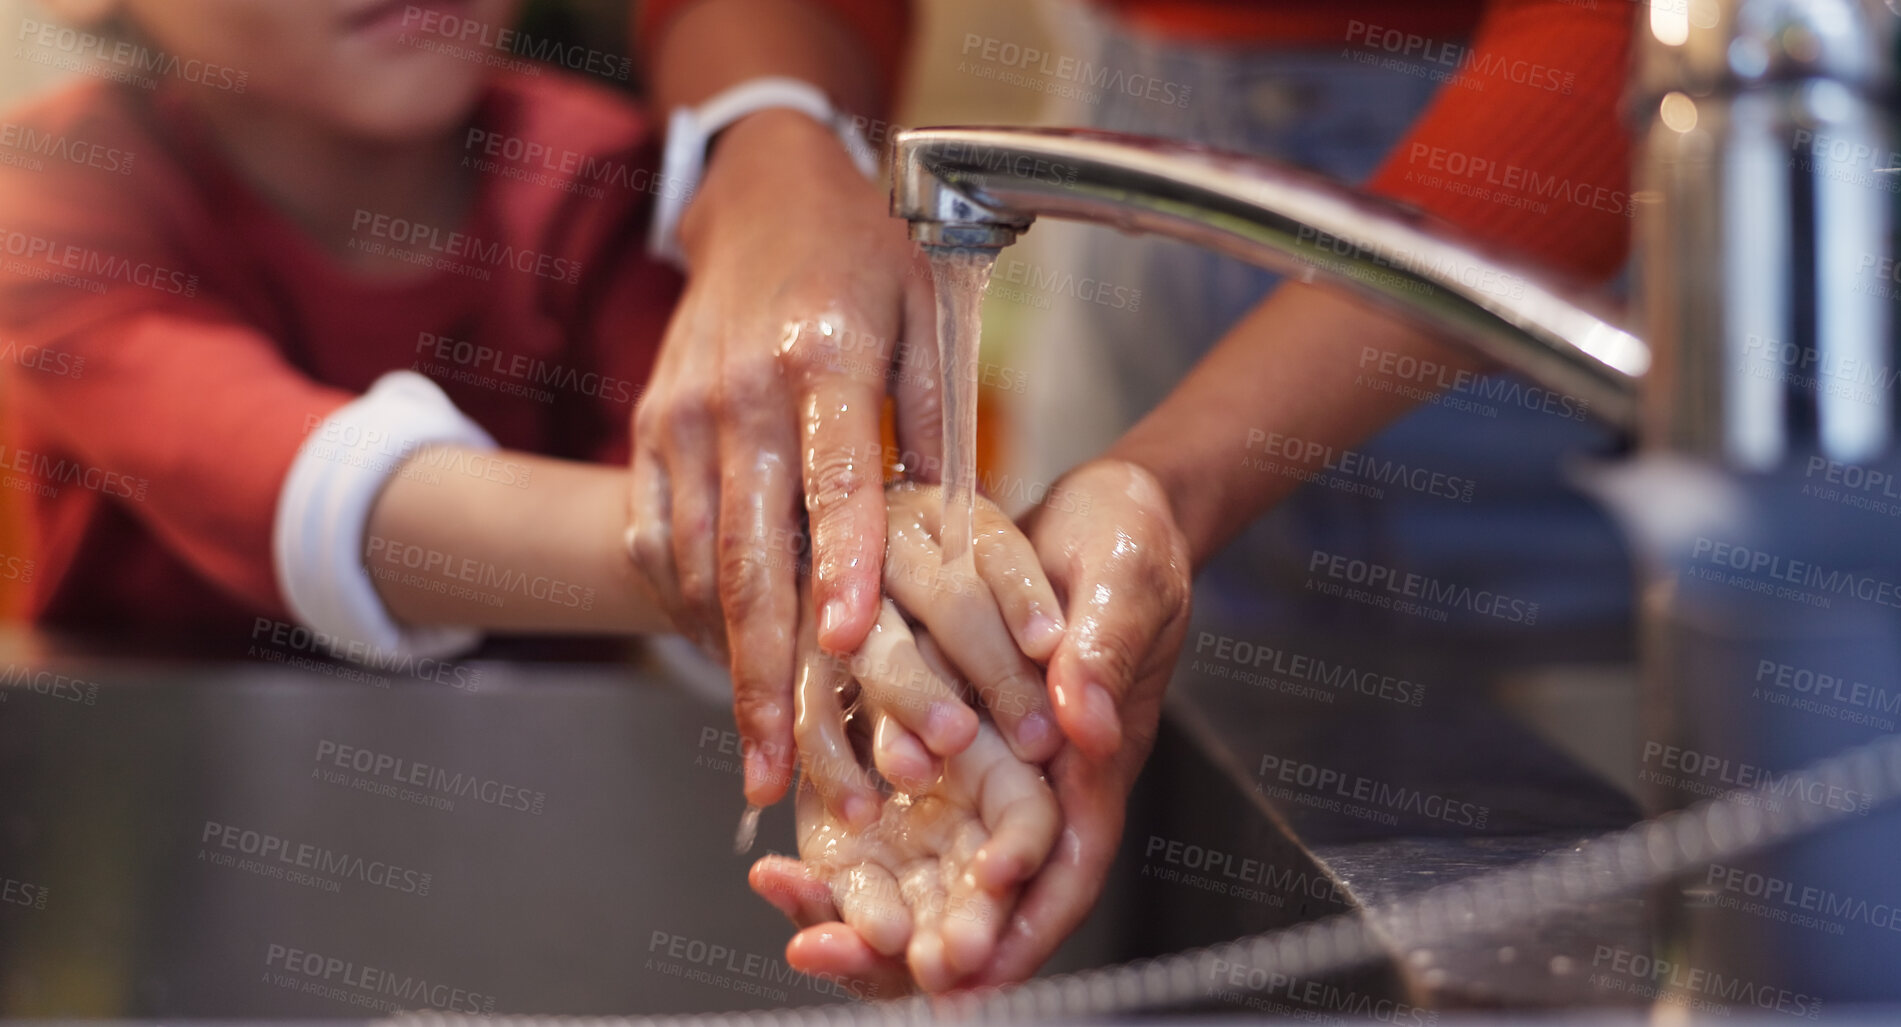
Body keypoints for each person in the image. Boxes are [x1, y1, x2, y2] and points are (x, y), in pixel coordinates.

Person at [0, 0, 1068, 984]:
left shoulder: (611, 185)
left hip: (525, 876)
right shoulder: (60, 190)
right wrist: (823, 563)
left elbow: (734, 533)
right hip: (148, 861)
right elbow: (324, 500)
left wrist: (911, 713)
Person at [633, 0, 1636, 992]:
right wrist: (774, 148)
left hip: (1517, 273)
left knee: (1574, 899)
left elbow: (1624, 33)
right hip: (1128, 186)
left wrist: (1163, 483)